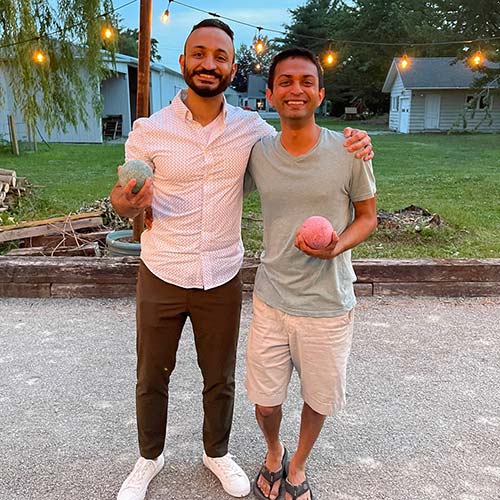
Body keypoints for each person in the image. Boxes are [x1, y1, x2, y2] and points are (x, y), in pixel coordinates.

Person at [110, 19, 374, 500]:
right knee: (152, 374)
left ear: (233, 67)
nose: (209, 64)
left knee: (221, 375)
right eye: (199, 53)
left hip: (221, 273)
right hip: (163, 270)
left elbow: (301, 139)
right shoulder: (149, 131)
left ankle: (216, 452)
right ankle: (149, 458)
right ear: (184, 60)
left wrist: (357, 142)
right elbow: (122, 200)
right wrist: (129, 203)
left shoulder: (253, 131)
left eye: (220, 56)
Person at [244, 47, 377, 500]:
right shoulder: (258, 153)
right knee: (265, 401)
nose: (295, 89)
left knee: (318, 398)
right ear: (270, 94)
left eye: (305, 82)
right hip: (272, 298)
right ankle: (274, 449)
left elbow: (368, 216)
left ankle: (297, 463)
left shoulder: (348, 150)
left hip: (327, 303)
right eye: (285, 81)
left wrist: (336, 246)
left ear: (320, 94)